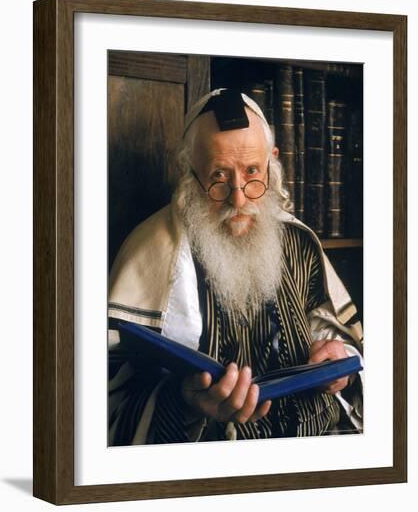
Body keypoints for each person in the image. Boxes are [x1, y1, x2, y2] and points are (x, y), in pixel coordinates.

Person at [108, 88, 363, 445]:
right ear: (190, 172)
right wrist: (186, 402)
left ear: (272, 163)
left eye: (252, 171)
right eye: (218, 176)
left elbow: (341, 338)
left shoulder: (298, 241)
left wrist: (341, 361)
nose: (239, 198)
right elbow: (107, 397)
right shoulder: (151, 249)